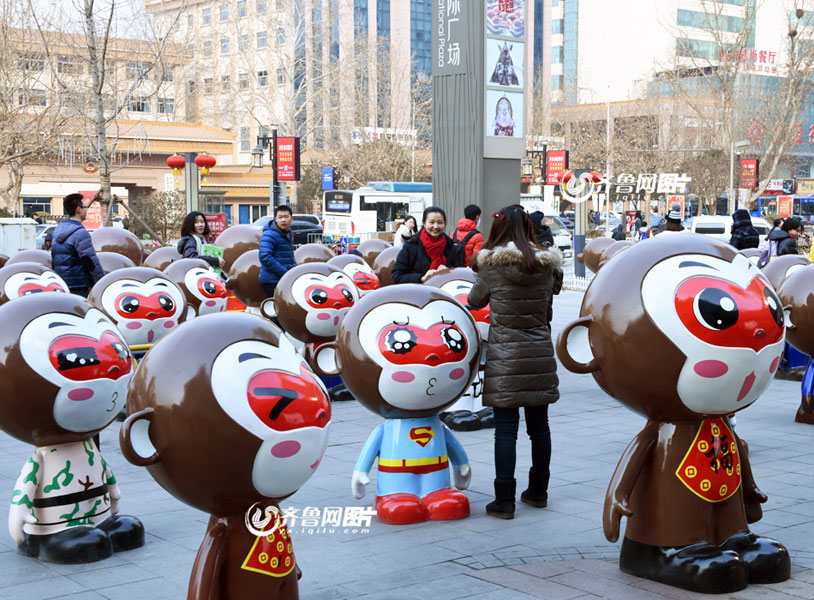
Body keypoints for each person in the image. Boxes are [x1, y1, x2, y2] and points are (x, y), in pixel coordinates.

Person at [467, 205, 561, 519]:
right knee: (540, 428)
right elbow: (550, 303)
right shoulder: (546, 265)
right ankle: (538, 492)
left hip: (506, 355)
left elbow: (474, 300)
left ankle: (504, 501)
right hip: (538, 352)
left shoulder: (492, 265)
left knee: (505, 432)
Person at [51, 193, 105, 297]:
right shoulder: (80, 233)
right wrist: (102, 279)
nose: (87, 210)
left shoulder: (58, 230)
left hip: (61, 283)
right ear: (79, 209)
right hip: (79, 285)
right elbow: (89, 260)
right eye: (85, 207)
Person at [391, 206, 462, 283]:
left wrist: (448, 271)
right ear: (424, 223)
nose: (436, 226)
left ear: (445, 224)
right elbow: (396, 276)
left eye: (440, 222)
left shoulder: (451, 246)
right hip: (417, 293)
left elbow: (459, 274)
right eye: (431, 222)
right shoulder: (411, 246)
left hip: (443, 292)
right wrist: (421, 278)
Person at [259, 204, 296, 297]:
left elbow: (289, 256)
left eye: (286, 217)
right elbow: (265, 257)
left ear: (292, 218)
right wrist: (284, 272)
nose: (283, 220)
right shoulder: (269, 234)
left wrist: (294, 270)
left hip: (284, 278)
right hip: (271, 281)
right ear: (275, 219)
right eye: (280, 217)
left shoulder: (288, 233)